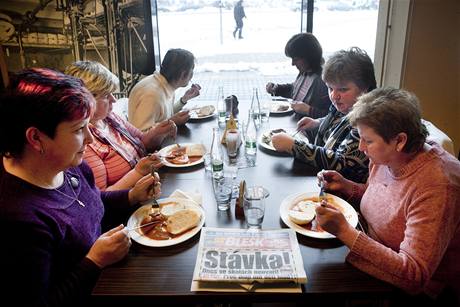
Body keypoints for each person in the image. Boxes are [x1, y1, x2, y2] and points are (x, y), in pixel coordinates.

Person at [0, 68, 162, 307]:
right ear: (36, 139)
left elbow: (91, 202)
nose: (89, 138)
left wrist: (130, 196)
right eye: (78, 129)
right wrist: (93, 262)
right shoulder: (18, 220)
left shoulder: (66, 164)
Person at [316, 87, 460, 306]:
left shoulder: (437, 186)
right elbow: (386, 202)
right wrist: (347, 187)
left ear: (399, 140)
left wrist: (345, 232)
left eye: (368, 141)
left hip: (408, 292)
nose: (361, 147)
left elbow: (414, 276)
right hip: (370, 250)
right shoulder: (389, 157)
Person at [65, 61, 176, 191]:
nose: (114, 100)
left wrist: (158, 131)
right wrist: (138, 172)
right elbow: (101, 198)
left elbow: (142, 141)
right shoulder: (84, 142)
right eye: (106, 95)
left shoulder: (110, 118)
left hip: (150, 186)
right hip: (129, 207)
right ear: (86, 101)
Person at [272, 47, 376, 183]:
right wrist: (318, 122)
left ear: (365, 88)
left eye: (343, 89)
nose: (334, 96)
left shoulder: (367, 120)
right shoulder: (346, 104)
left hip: (341, 196)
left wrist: (293, 146)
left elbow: (341, 163)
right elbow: (339, 122)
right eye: (330, 88)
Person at [128, 48, 201, 131]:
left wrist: (184, 99)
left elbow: (162, 116)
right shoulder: (152, 95)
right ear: (183, 74)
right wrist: (172, 122)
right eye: (192, 71)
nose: (192, 75)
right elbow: (141, 134)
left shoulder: (165, 84)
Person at [266, 33, 331, 119]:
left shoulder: (323, 81)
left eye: (296, 59)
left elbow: (331, 117)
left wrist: (309, 110)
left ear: (309, 57)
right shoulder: (305, 71)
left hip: (307, 129)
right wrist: (277, 88)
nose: (292, 63)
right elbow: (295, 90)